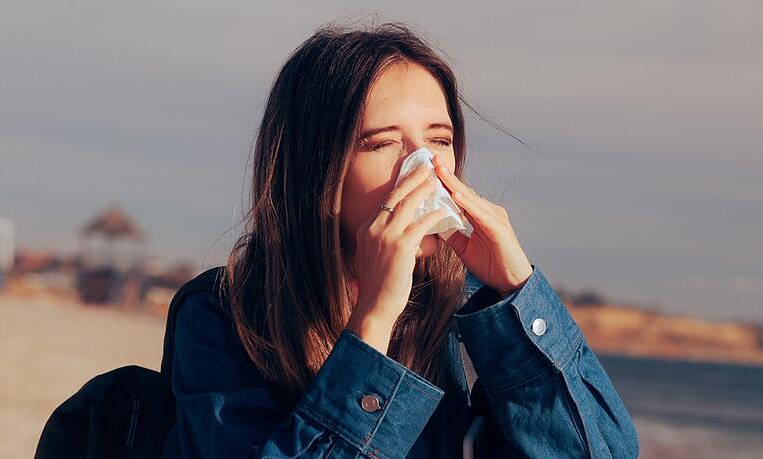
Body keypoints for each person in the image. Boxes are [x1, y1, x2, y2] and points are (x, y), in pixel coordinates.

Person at [160, 20, 639, 458]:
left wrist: (517, 292)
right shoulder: (225, 314)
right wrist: (373, 321)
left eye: (439, 140)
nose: (424, 168)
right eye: (382, 143)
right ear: (315, 171)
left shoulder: (459, 307)